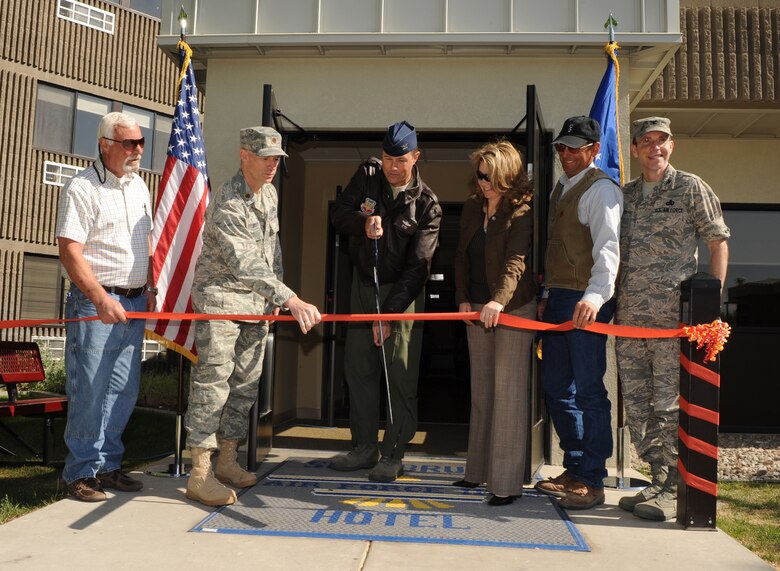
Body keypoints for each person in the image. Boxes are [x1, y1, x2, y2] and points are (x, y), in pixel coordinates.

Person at [184, 126, 321, 507]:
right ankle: (199, 472)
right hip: (222, 301)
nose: (273, 165)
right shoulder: (228, 201)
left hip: (256, 304)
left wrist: (274, 294)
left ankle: (227, 459)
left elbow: (270, 249)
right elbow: (244, 261)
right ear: (244, 156)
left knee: (245, 384)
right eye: (266, 157)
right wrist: (289, 297)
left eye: (277, 158)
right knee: (213, 382)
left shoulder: (270, 194)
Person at [615, 117, 730, 521]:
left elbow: (717, 241)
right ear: (634, 149)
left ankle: (674, 487)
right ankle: (658, 478)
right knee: (639, 403)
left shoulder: (690, 187)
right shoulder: (625, 195)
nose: (654, 149)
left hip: (670, 322)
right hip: (628, 322)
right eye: (646, 142)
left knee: (668, 404)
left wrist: (709, 307)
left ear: (672, 145)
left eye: (661, 141)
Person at [329, 121, 442, 483]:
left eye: (402, 160)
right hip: (364, 285)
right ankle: (363, 447)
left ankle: (393, 453)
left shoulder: (427, 204)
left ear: (416, 157)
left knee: (400, 376)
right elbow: (339, 214)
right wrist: (363, 222)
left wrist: (389, 314)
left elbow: (418, 268)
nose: (394, 168)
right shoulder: (367, 177)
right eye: (388, 158)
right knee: (358, 370)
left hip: (403, 294)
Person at [56, 112, 155, 502]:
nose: (137, 150)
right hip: (96, 304)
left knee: (123, 391)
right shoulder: (82, 187)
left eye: (141, 142)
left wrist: (152, 286)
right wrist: (100, 298)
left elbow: (146, 244)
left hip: (135, 302)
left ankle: (108, 467)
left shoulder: (140, 186)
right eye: (129, 143)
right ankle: (79, 473)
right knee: (90, 391)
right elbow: (69, 251)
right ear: (105, 144)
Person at [534, 116, 623, 510]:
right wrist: (546, 292)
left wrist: (595, 297)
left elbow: (609, 249)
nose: (567, 154)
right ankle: (574, 466)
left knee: (589, 390)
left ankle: (593, 478)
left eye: (576, 148)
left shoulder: (601, 190)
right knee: (557, 387)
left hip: (586, 300)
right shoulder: (561, 187)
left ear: (594, 150)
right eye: (563, 148)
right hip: (557, 298)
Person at [453, 140, 537, 506]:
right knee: (482, 392)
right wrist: (462, 298)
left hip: (514, 309)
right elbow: (460, 256)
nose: (483, 183)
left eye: (490, 177)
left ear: (507, 175)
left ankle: (504, 485)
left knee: (508, 395)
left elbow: (515, 263)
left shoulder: (522, 211)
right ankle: (476, 472)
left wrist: (498, 302)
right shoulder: (473, 207)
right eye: (480, 176)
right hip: (476, 310)